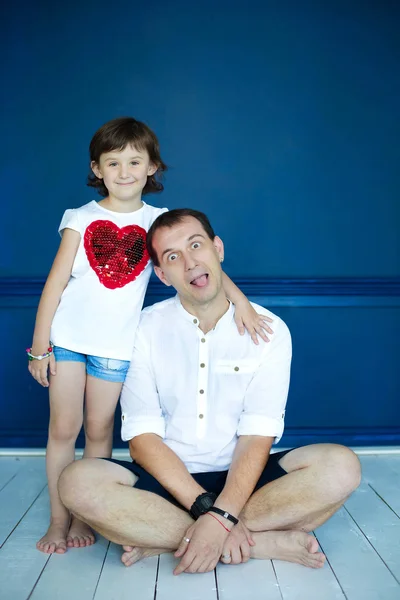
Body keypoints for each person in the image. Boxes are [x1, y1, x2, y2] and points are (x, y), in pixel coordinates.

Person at [58, 208, 361, 574]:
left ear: (218, 249)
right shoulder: (142, 330)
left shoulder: (270, 331)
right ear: (161, 274)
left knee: (341, 467)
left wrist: (222, 512)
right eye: (173, 257)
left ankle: (170, 539)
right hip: (168, 483)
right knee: (77, 482)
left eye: (196, 245)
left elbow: (256, 437)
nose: (189, 263)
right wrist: (206, 510)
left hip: (247, 479)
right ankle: (258, 542)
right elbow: (142, 439)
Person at [28, 121, 272, 556]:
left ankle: (85, 514)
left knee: (100, 431)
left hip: (116, 347)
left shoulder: (156, 222)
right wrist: (40, 346)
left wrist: (244, 305)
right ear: (97, 169)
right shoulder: (81, 219)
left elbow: (205, 267)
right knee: (64, 428)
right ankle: (58, 519)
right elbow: (55, 284)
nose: (124, 171)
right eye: (113, 162)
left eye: (135, 162)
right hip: (67, 341)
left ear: (152, 167)